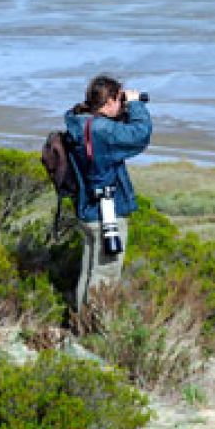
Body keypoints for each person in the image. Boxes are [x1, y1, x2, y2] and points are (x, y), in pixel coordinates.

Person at [65, 74, 152, 310]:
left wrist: (123, 109)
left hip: (87, 209)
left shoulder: (79, 123)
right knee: (105, 274)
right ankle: (95, 329)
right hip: (107, 213)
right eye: (119, 99)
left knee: (89, 270)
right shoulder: (103, 131)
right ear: (110, 101)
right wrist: (135, 104)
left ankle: (80, 323)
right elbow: (140, 135)